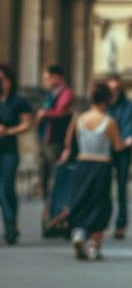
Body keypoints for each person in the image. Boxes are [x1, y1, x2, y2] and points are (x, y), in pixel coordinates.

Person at [62, 81, 125, 260]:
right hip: (101, 165)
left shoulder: (79, 119)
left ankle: (79, 232)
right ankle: (94, 246)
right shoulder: (109, 122)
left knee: (81, 200)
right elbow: (117, 146)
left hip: (82, 164)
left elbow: (69, 142)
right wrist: (125, 143)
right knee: (100, 205)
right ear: (106, 100)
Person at [0, 63, 32, 245]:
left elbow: (27, 124)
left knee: (6, 188)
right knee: (4, 190)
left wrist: (8, 131)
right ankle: (11, 225)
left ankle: (11, 226)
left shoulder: (18, 101)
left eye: (2, 79)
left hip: (9, 151)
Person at [37, 65, 75, 200]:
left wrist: (44, 113)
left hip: (56, 140)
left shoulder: (66, 93)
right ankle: (48, 204)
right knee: (43, 175)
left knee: (56, 174)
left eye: (47, 78)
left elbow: (61, 111)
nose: (45, 81)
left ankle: (57, 205)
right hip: (44, 138)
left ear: (56, 77)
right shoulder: (49, 94)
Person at [105, 74, 132, 239]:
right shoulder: (105, 105)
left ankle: (121, 225)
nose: (114, 92)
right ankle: (103, 223)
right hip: (107, 149)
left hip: (123, 150)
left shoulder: (128, 105)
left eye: (116, 89)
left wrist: (122, 141)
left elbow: (129, 126)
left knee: (122, 188)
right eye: (111, 89)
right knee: (104, 188)